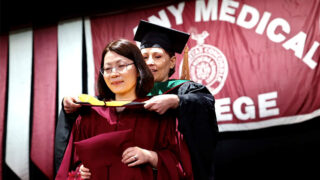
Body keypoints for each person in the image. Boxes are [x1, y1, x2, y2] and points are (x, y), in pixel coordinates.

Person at [55, 20, 218, 180]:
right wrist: (70, 106)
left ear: (172, 62)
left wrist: (177, 101)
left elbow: (202, 110)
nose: (149, 62)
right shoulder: (104, 107)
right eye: (144, 57)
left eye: (157, 56)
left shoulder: (180, 92)